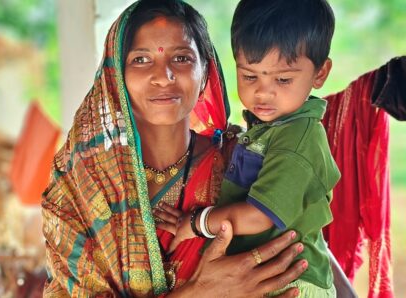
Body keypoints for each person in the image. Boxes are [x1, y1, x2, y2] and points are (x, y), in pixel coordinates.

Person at [41, 0, 306, 297]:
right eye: (141, 60)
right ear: (116, 77)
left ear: (206, 70)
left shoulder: (247, 160)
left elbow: (309, 257)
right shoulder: (79, 185)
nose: (163, 76)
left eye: (181, 58)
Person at [157, 0, 339, 296]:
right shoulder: (268, 129)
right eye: (250, 76)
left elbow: (259, 216)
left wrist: (195, 223)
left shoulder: (298, 138)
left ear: (320, 74)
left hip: (292, 284)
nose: (263, 92)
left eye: (282, 79)